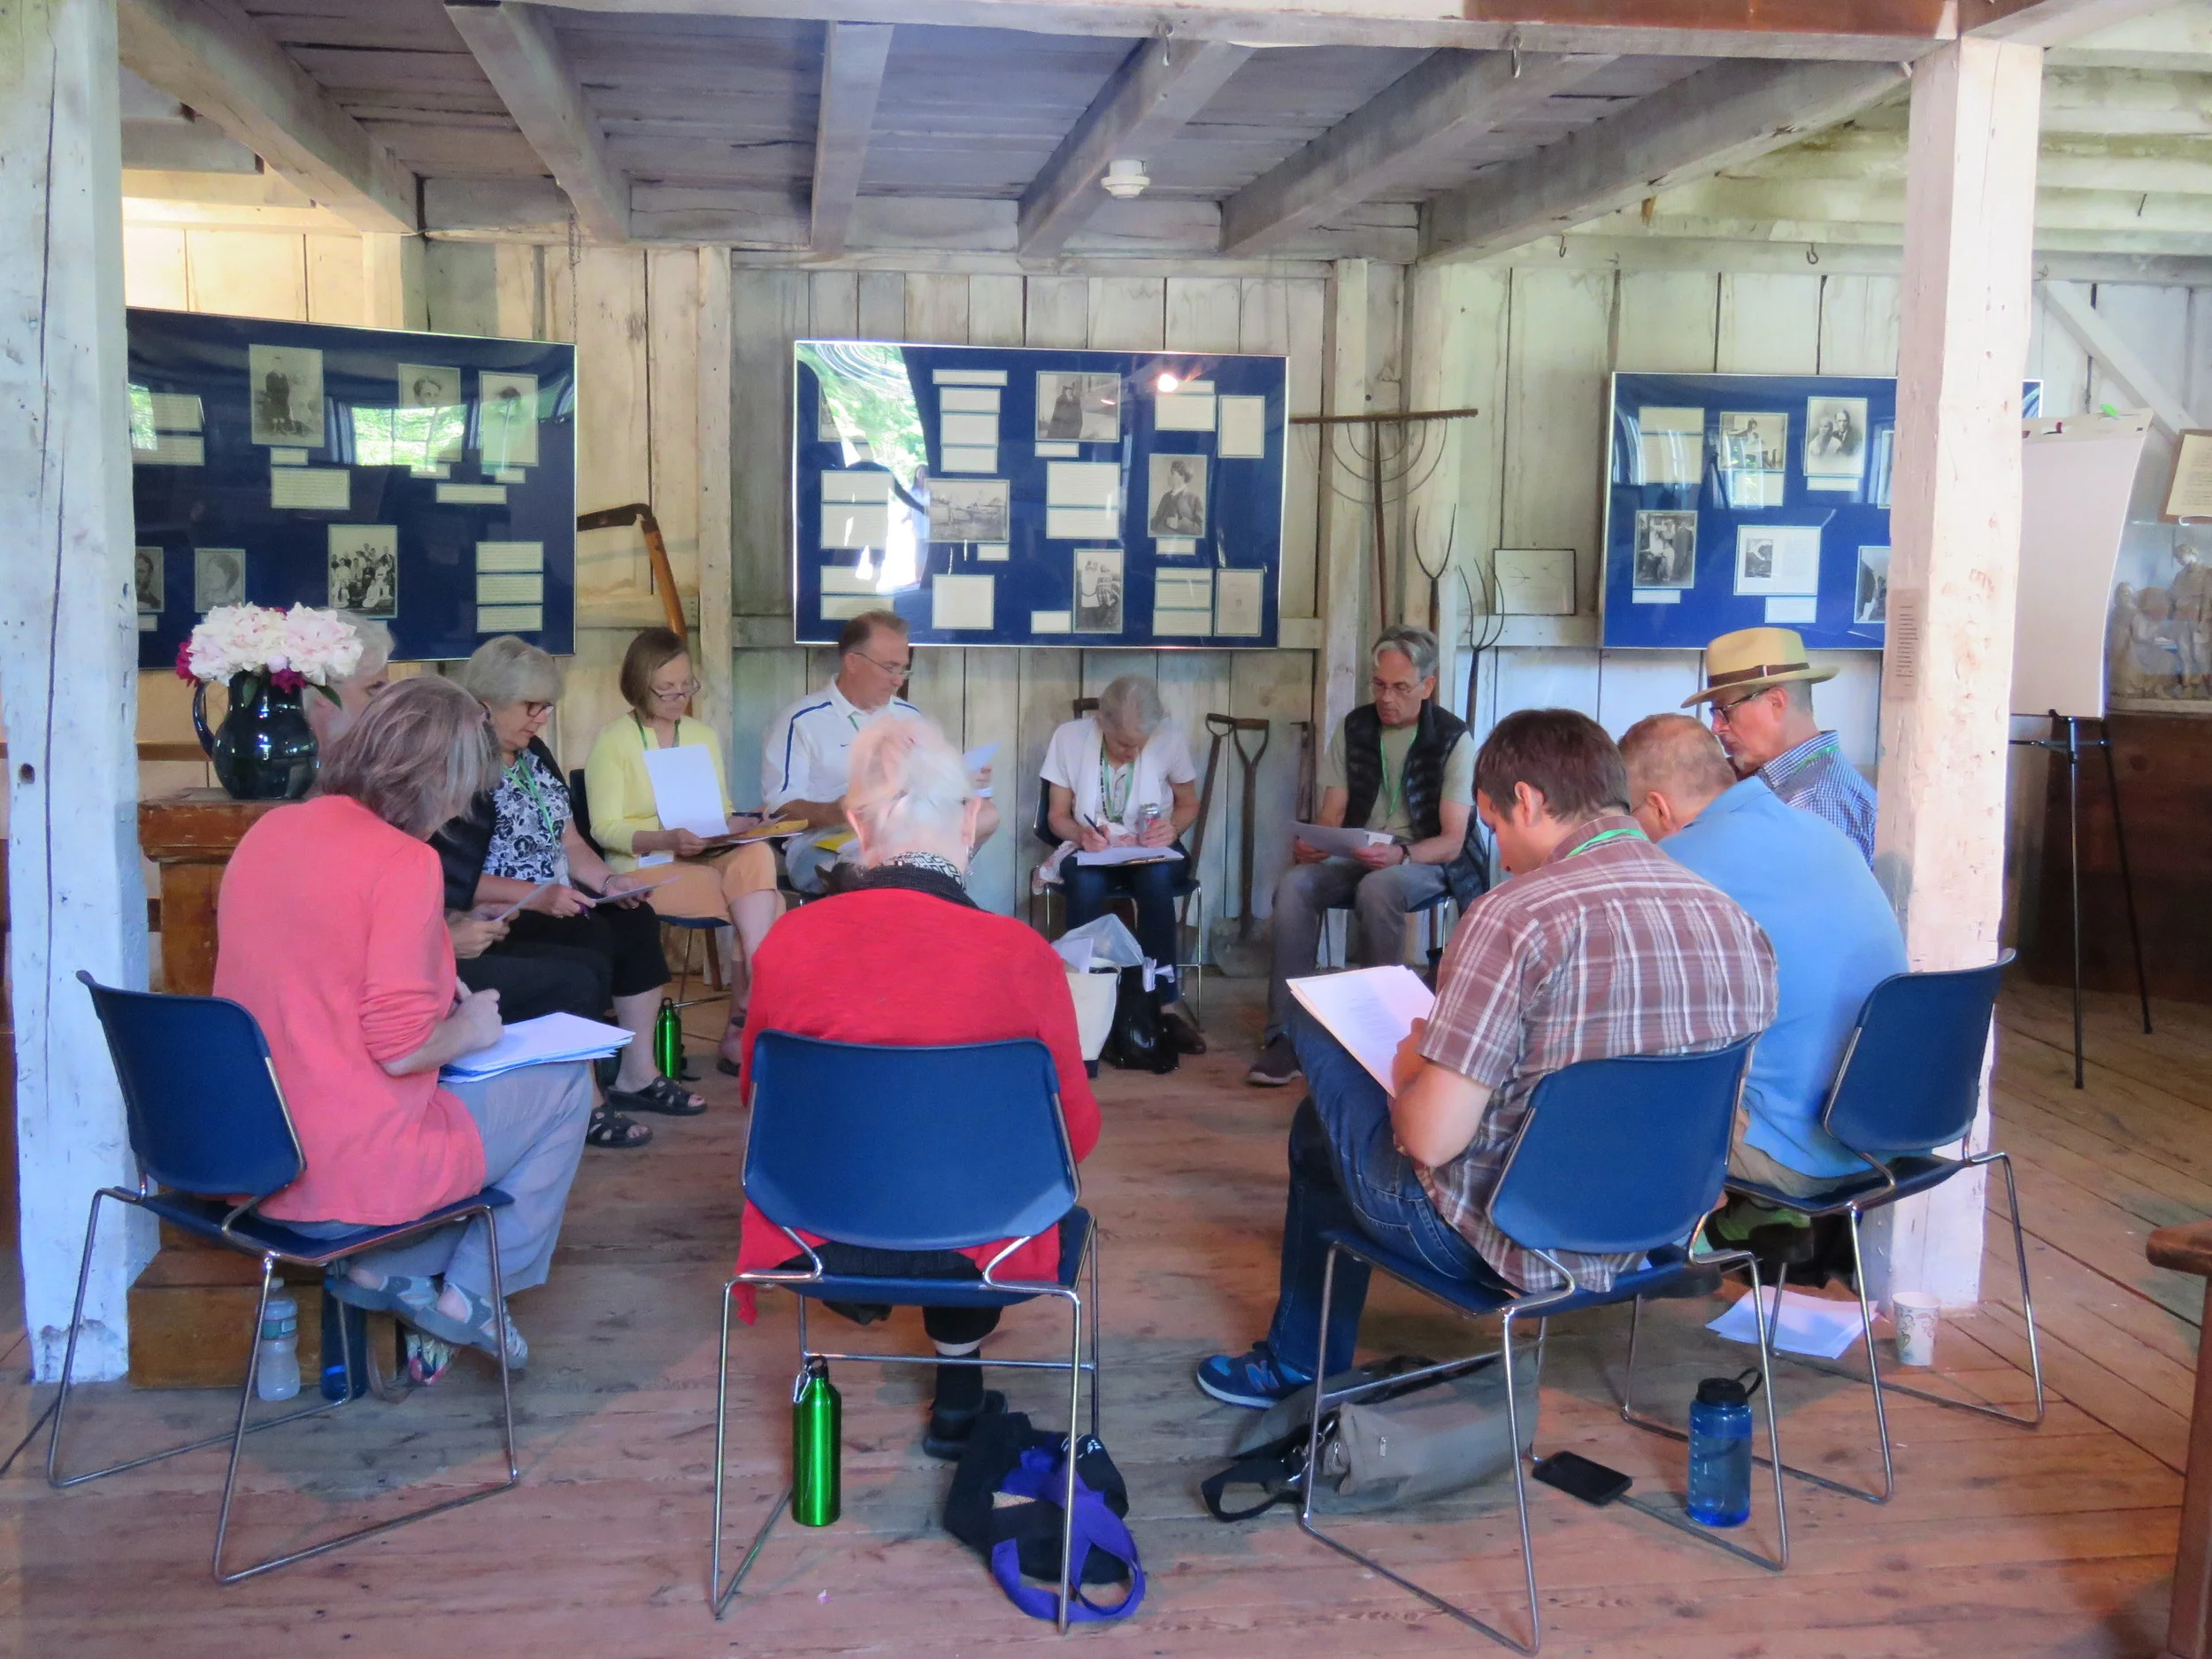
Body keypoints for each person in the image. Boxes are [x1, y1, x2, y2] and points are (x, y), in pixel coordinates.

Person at [1199, 710, 1777, 1407]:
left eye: (1496, 824)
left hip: (1510, 1239)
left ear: (1527, 799)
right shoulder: (1734, 920)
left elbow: (1428, 1140)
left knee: (1320, 1067)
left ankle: (1299, 1363)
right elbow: (1727, 1120)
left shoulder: (1516, 915)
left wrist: (1411, 1061)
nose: (1499, 852)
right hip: (1663, 1228)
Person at [734, 717, 1101, 1457]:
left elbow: (758, 1103)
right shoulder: (1021, 954)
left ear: (855, 823)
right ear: (970, 820)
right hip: (984, 1238)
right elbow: (1074, 1136)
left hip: (820, 1231)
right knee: (987, 1179)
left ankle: (938, 1363)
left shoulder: (788, 942)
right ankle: (958, 1385)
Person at [216, 676, 593, 1377]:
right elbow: (402, 1050)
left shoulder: (271, 830)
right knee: (567, 1082)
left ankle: (392, 1269)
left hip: (251, 1159)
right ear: (443, 781)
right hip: (347, 1175)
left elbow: (317, 965)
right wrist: (473, 1025)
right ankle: (471, 1293)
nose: (459, 810)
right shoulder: (405, 860)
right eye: (464, 791)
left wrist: (433, 964)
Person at [1620, 713, 1910, 1255]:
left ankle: (1664, 1255)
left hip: (1799, 1153)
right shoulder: (1822, 831)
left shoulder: (1674, 864)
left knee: (1603, 1079)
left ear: (1657, 807)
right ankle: (1750, 1224)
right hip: (1892, 1131)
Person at [440, 637, 715, 1149]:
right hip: (502, 911)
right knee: (585, 949)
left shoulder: (533, 754)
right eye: (531, 706)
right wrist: (538, 895)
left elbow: (569, 842)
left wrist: (610, 883)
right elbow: (449, 876)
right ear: (486, 703)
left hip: (556, 897)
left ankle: (637, 1073)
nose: (542, 718)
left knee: (634, 919)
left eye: (547, 706)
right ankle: (585, 1100)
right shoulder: (460, 766)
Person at [303, 614, 606, 1036]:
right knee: (575, 978)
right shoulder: (366, 828)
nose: (385, 701)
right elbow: (362, 964)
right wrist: (449, 944)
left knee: (596, 953)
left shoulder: (295, 823)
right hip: (382, 999)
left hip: (425, 952)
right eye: (375, 688)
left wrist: (454, 927)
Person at [1249, 626, 1486, 1088]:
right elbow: (1333, 814)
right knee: (1296, 885)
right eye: (1379, 685)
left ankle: (1382, 1036)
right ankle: (1285, 1036)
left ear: (1428, 686)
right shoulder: (1355, 728)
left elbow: (1453, 841)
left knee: (1379, 887)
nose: (1386, 698)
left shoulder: (1453, 738)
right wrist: (1317, 844)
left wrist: (1401, 854)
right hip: (1361, 850)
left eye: (1400, 688)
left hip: (1425, 858)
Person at [584, 627, 784, 1072]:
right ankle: (748, 1012)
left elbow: (719, 811)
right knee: (768, 904)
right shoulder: (614, 740)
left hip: (705, 854)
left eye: (686, 685)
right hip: (644, 864)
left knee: (757, 854)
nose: (679, 697)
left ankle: (753, 993)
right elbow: (605, 829)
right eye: (667, 689)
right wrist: (667, 839)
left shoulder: (701, 735)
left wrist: (744, 823)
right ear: (640, 685)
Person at [761, 610, 999, 894]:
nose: (899, 680)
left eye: (903, 669)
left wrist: (962, 782)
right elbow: (780, 809)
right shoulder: (802, 720)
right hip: (826, 842)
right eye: (890, 668)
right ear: (853, 662)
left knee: (986, 815)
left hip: (907, 834)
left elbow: (931, 787)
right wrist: (841, 810)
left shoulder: (909, 716)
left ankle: (934, 881)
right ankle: (922, 885)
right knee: (894, 866)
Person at [1041, 675, 1203, 1051]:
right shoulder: (1069, 738)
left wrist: (1173, 827)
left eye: (1140, 744)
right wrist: (1082, 835)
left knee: (1156, 880)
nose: (1132, 753)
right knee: (1085, 884)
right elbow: (1057, 816)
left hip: (1152, 848)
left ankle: (1161, 1005)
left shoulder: (1169, 739)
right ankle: (1085, 1000)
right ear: (1101, 722)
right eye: (1123, 744)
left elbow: (1188, 803)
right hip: (1093, 846)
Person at [1684, 626, 1877, 865]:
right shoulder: (1797, 785)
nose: (1716, 727)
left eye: (1725, 712)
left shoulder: (1813, 802)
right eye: (1714, 713)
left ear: (1776, 702)